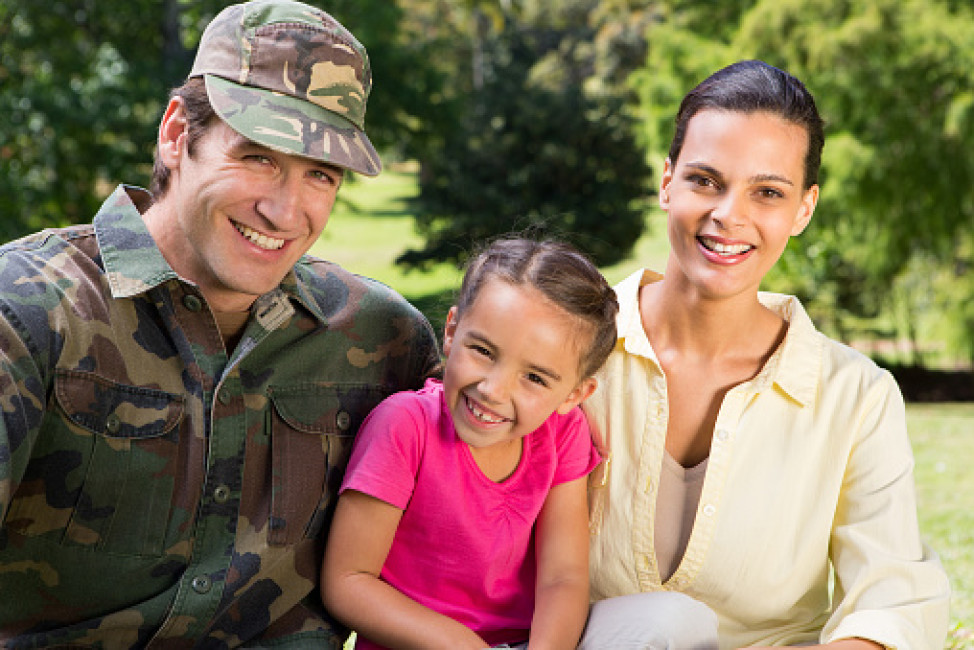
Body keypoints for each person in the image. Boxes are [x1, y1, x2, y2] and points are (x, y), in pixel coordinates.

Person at [0, 1, 438, 648]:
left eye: (320, 174)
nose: (284, 209)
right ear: (177, 134)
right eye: (258, 156)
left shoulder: (382, 338)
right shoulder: (29, 312)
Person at [584, 60, 951, 649]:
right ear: (666, 181)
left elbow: (892, 599)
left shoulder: (855, 395)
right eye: (705, 180)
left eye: (768, 193)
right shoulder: (572, 349)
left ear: (804, 209)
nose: (729, 215)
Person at [322, 238, 624, 649]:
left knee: (672, 622)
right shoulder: (405, 426)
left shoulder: (563, 432)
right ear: (451, 331)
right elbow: (348, 582)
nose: (493, 390)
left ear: (574, 395)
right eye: (482, 350)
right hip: (427, 645)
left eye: (535, 377)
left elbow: (562, 577)